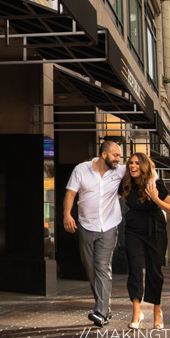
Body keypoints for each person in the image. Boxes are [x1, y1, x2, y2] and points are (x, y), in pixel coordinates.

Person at [63, 140, 125, 327]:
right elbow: (71, 194)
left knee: (102, 267)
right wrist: (67, 214)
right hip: (86, 226)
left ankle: (100, 311)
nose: (118, 159)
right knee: (91, 269)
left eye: (119, 156)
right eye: (115, 155)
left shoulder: (120, 171)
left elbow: (144, 170)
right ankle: (105, 308)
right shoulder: (81, 169)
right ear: (104, 154)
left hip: (109, 226)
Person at [120, 152, 170, 330]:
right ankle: (137, 312)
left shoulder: (155, 184)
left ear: (143, 166)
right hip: (133, 230)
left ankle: (157, 310)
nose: (132, 166)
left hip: (155, 231)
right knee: (135, 269)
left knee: (154, 271)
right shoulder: (126, 185)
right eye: (130, 163)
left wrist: (156, 198)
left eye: (136, 163)